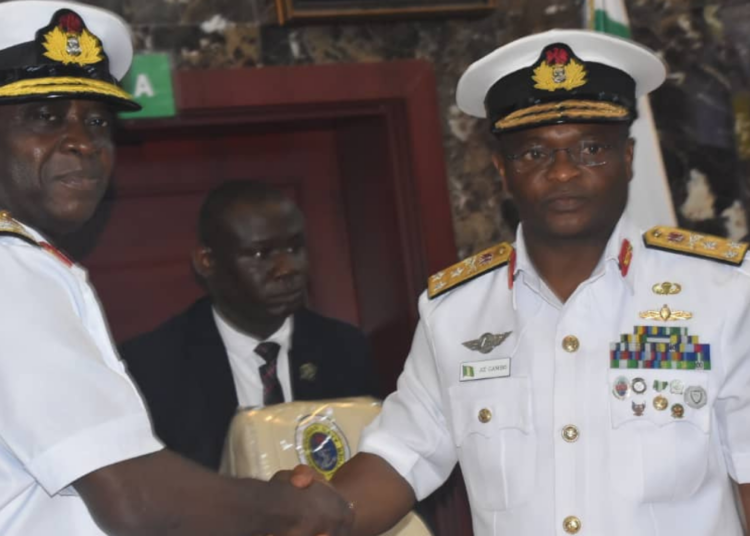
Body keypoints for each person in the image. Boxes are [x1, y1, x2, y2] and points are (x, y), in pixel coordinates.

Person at [284, 29, 750, 536]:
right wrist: (312, 514)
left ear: (628, 158)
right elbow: (400, 457)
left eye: (591, 148)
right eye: (534, 154)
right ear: (501, 170)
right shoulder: (455, 314)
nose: (564, 173)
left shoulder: (722, 294)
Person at [0, 2, 352, 535]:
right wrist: (301, 510)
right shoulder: (12, 271)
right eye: (45, 117)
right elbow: (135, 500)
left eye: (97, 121)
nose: (82, 142)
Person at [121, 180, 378, 470]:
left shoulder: (343, 349)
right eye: (261, 254)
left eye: (295, 249)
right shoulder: (154, 365)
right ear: (207, 262)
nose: (287, 269)